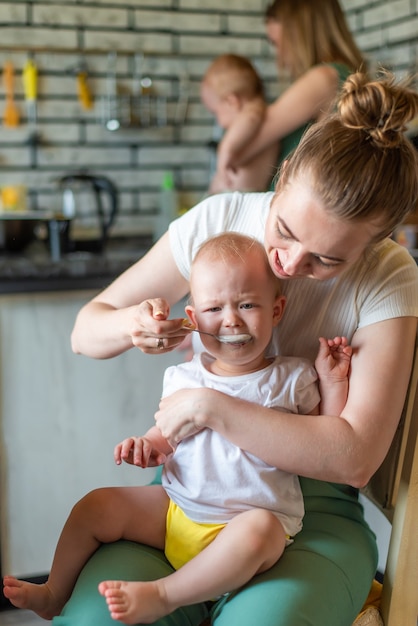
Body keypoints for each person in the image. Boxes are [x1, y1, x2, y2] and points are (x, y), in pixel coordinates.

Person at [48, 71, 418, 626]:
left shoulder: (390, 277)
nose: (290, 266)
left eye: (327, 261)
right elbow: (85, 331)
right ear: (285, 172)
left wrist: (210, 407)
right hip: (187, 492)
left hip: (308, 513)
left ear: (379, 241)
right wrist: (133, 325)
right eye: (286, 230)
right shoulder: (218, 221)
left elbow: (354, 458)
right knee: (92, 621)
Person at [2, 233, 353, 625]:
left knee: (261, 530)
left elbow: (324, 440)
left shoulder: (292, 378)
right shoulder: (183, 377)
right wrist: (145, 445)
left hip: (248, 527)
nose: (231, 319)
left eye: (248, 304)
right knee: (96, 505)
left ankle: (164, 594)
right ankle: (54, 593)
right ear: (193, 320)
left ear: (276, 310)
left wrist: (333, 382)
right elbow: (165, 436)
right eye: (214, 308)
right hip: (178, 512)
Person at [217, 0, 366, 190]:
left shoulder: (324, 78)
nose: (279, 57)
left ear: (300, 35)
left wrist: (225, 148)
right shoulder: (346, 75)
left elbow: (245, 147)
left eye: (278, 43)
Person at [200, 54, 279, 193]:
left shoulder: (253, 111)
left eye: (215, 112)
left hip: (242, 199)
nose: (218, 121)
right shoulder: (256, 114)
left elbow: (250, 118)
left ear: (232, 102)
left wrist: (225, 150)